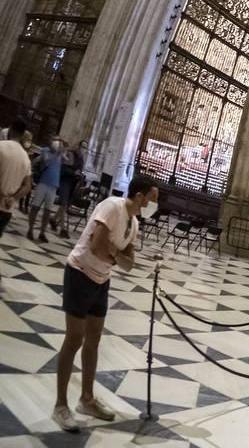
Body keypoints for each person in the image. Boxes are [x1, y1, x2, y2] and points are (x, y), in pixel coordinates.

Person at [52, 173, 158, 433]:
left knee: (94, 339)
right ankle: (60, 405)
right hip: (79, 272)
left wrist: (115, 254)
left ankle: (86, 399)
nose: (153, 206)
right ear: (139, 196)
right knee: (74, 338)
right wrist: (117, 255)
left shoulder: (133, 224)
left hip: (101, 279)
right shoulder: (113, 206)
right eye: (152, 200)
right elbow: (97, 244)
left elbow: (129, 264)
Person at [0, 121, 34, 289]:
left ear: (10, 130)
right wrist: (12, 198)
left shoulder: (1, 147)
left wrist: (3, 195)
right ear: (22, 135)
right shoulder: (25, 158)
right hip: (6, 210)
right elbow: (28, 186)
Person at [27, 138, 63, 242]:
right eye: (55, 141)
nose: (57, 143)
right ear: (51, 142)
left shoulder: (60, 153)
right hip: (43, 183)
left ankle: (42, 232)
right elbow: (46, 162)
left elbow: (68, 161)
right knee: (35, 207)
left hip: (54, 185)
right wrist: (56, 153)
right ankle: (30, 229)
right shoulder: (45, 151)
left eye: (58, 141)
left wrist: (65, 149)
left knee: (47, 210)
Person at [52, 139, 84, 239]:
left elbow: (80, 169)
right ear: (78, 146)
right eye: (82, 146)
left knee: (65, 205)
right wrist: (74, 173)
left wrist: (79, 175)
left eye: (85, 147)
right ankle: (63, 229)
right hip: (65, 181)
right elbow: (65, 168)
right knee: (64, 203)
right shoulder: (70, 154)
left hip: (73, 183)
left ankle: (53, 219)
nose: (83, 149)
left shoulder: (81, 158)